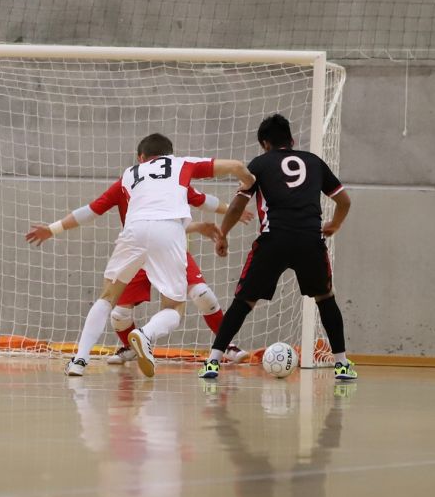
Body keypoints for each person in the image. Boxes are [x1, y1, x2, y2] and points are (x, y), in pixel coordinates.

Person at [62, 133, 253, 378]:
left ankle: (79, 360)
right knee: (169, 309)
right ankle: (143, 336)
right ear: (170, 154)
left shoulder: (130, 174)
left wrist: (53, 229)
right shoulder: (179, 166)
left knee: (107, 298)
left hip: (134, 235)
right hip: (168, 236)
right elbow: (235, 167)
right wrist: (248, 186)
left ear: (141, 157)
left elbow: (91, 210)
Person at [26, 179, 254, 365]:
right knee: (119, 315)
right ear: (143, 160)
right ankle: (133, 346)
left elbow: (201, 200)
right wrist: (53, 229)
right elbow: (92, 209)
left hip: (168, 249)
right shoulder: (127, 182)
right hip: (137, 250)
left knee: (202, 295)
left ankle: (226, 345)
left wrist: (232, 210)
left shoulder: (175, 178)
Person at [199, 113, 357, 382]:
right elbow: (344, 201)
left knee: (244, 301)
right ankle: (341, 364)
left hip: (274, 241)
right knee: (325, 298)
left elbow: (237, 206)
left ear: (265, 144)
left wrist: (222, 234)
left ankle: (213, 361)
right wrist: (335, 224)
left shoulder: (259, 164)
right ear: (291, 140)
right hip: (310, 240)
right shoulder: (314, 162)